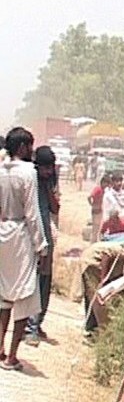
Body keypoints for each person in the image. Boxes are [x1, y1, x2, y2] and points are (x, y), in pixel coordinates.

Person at [0, 127, 47, 371]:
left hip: (2, 234)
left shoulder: (1, 170)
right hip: (20, 236)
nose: (32, 151)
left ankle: (0, 347)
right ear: (22, 148)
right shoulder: (29, 173)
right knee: (24, 296)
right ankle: (12, 357)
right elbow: (32, 213)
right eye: (30, 146)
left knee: (4, 296)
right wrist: (42, 245)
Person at [25, 146, 60, 346]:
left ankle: (36, 324)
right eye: (45, 169)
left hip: (46, 236)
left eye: (50, 169)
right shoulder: (30, 180)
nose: (48, 172)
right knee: (31, 282)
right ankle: (29, 327)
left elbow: (55, 208)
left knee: (44, 282)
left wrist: (49, 188)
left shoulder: (49, 183)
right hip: (30, 237)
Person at [88, 175, 111, 244]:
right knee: (95, 228)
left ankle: (95, 242)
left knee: (98, 228)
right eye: (106, 183)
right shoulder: (98, 189)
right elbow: (89, 197)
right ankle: (92, 243)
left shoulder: (104, 190)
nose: (107, 185)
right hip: (96, 210)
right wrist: (92, 204)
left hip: (100, 210)